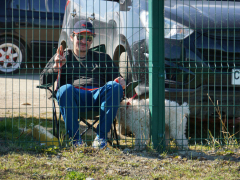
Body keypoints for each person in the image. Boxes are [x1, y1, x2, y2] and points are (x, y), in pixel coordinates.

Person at [40, 20, 126, 149]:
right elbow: (43, 81)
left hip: (99, 96)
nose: (84, 41)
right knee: (65, 89)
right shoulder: (63, 56)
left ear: (92, 40)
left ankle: (101, 138)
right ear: (71, 37)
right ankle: (75, 140)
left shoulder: (103, 58)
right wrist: (56, 67)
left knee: (115, 87)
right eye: (80, 37)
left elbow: (117, 81)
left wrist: (121, 82)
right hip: (74, 96)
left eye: (89, 38)